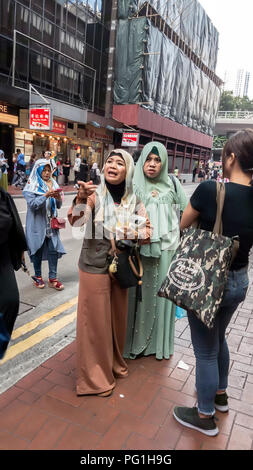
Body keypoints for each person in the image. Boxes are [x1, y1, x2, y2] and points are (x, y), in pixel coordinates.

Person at [173, 129, 253, 436]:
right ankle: (220, 395)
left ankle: (204, 416)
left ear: (231, 158)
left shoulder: (210, 190)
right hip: (239, 281)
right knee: (219, 339)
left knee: (205, 350)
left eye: (224, 156)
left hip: (208, 282)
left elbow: (183, 224)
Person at [67, 149, 152, 397]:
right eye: (109, 162)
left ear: (128, 170)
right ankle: (95, 379)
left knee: (116, 321)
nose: (112, 165)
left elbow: (148, 232)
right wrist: (81, 198)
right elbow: (76, 221)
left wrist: (130, 232)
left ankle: (113, 364)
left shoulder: (134, 200)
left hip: (121, 267)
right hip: (94, 267)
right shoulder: (96, 195)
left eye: (119, 162)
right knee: (94, 324)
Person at [124, 142, 188, 360]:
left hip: (166, 252)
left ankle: (156, 346)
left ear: (164, 163)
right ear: (142, 161)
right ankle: (134, 343)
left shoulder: (172, 184)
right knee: (138, 298)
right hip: (138, 251)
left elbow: (188, 213)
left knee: (161, 298)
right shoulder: (132, 184)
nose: (152, 164)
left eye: (157, 160)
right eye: (148, 159)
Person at [23, 159, 66, 290]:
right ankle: (38, 277)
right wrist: (46, 195)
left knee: (53, 250)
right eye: (44, 170)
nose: (47, 173)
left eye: (49, 170)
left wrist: (58, 198)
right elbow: (33, 205)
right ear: (38, 170)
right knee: (37, 250)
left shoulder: (53, 183)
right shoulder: (31, 185)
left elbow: (58, 205)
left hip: (51, 225)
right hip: (37, 224)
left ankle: (53, 279)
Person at [0, 186, 27, 358]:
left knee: (10, 301)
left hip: (2, 258)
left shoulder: (3, 197)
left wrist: (20, 250)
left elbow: (14, 225)